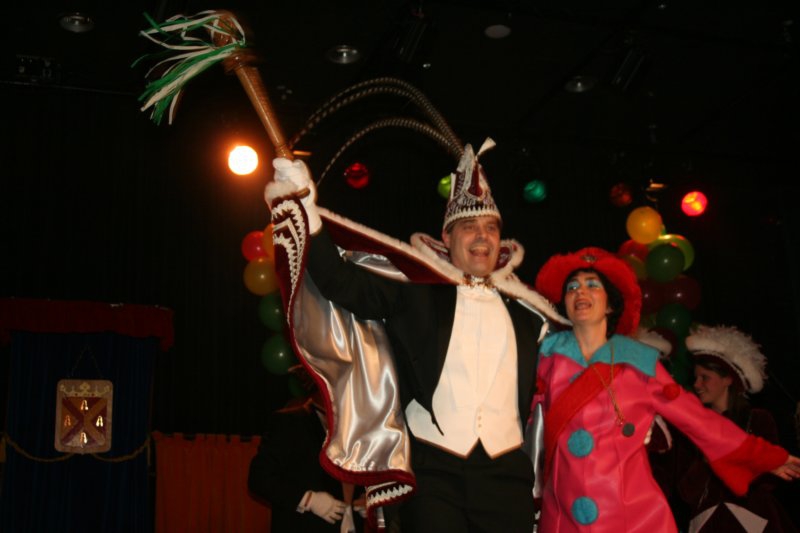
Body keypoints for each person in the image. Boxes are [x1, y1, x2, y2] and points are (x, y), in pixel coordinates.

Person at [264, 138, 568, 532]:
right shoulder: (417, 293)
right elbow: (341, 282)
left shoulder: (531, 314)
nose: (482, 237)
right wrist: (304, 205)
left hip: (506, 475)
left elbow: (575, 366)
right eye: (469, 228)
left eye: (490, 228)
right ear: (446, 239)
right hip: (433, 472)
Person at [531, 247, 800, 532]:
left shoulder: (640, 364)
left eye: (592, 285)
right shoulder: (545, 359)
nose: (580, 292)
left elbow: (700, 421)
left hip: (633, 517)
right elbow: (521, 421)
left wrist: (762, 456)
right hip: (562, 517)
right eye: (572, 287)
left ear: (610, 305)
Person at [674, 325, 800, 532]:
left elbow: (769, 482)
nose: (696, 384)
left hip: (755, 522)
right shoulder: (691, 427)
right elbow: (686, 492)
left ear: (728, 379)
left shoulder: (757, 419)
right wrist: (707, 456)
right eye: (695, 378)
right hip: (708, 523)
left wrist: (736, 455)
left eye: (705, 377)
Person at [248, 368, 366, 532]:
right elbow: (259, 478)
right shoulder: (291, 422)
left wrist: (366, 500)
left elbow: (354, 482)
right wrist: (308, 500)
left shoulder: (354, 431)